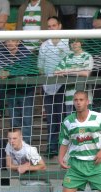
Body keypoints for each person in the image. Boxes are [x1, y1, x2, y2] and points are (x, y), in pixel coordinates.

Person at [38, 16, 70, 159]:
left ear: (60, 26)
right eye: (49, 26)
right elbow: (40, 67)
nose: (51, 28)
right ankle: (51, 148)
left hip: (64, 85)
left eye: (54, 25)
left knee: (64, 118)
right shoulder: (44, 45)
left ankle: (65, 149)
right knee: (51, 118)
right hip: (48, 86)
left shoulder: (68, 41)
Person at [0, 39, 36, 145]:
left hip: (26, 91)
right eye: (7, 41)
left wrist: (10, 72)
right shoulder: (2, 53)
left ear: (18, 42)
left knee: (26, 120)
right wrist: (3, 72)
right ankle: (15, 144)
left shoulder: (25, 52)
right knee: (14, 120)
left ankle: (26, 145)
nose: (9, 43)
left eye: (12, 40)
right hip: (11, 90)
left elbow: (24, 69)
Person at [54, 39, 93, 117]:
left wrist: (66, 72)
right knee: (71, 125)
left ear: (81, 43)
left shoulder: (87, 56)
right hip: (70, 100)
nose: (74, 44)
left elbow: (86, 73)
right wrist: (78, 71)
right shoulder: (67, 58)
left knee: (85, 124)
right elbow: (56, 72)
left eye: (76, 41)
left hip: (85, 100)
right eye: (72, 42)